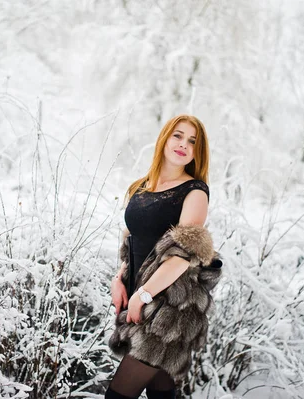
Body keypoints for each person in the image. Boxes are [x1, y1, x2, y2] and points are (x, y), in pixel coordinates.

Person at [106, 114, 223, 399]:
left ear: (198, 151)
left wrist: (143, 295)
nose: (184, 144)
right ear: (165, 138)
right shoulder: (141, 187)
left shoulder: (194, 192)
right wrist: (119, 278)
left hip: (170, 309)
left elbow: (182, 256)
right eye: (178, 135)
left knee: (118, 396)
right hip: (140, 295)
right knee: (160, 392)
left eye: (192, 141)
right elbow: (136, 241)